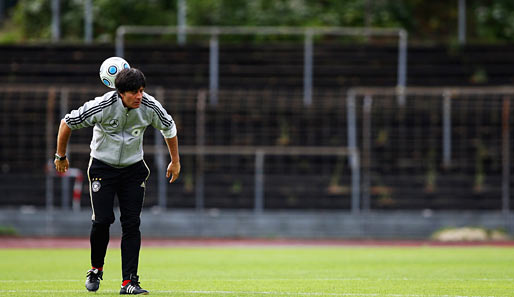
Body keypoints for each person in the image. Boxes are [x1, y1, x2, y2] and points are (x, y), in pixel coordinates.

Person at [54, 68, 180, 295]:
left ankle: (129, 282)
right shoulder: (101, 106)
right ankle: (95, 269)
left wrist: (175, 161)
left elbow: (169, 127)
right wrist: (60, 156)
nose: (139, 96)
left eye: (141, 90)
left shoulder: (149, 106)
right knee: (102, 221)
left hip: (133, 169)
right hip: (103, 166)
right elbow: (67, 123)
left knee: (132, 223)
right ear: (120, 92)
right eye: (134, 92)